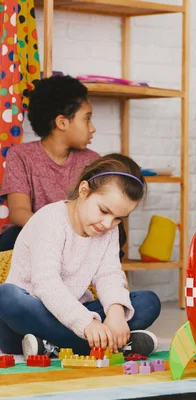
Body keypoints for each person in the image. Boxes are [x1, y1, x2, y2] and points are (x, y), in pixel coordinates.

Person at [0, 153, 161, 357]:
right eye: (104, 211)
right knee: (7, 296)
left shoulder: (107, 230)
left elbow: (108, 275)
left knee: (148, 302)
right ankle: (106, 344)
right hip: (31, 316)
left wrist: (115, 312)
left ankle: (53, 346)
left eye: (118, 219)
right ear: (84, 191)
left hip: (75, 312)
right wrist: (87, 324)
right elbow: (46, 284)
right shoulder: (51, 221)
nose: (107, 224)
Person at [0, 75, 99, 251]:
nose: (92, 128)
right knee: (10, 238)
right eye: (87, 119)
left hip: (77, 237)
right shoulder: (20, 156)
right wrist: (54, 233)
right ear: (62, 122)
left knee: (111, 241)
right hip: (35, 233)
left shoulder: (92, 161)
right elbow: (19, 212)